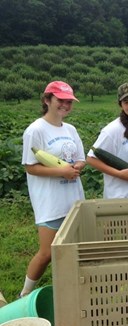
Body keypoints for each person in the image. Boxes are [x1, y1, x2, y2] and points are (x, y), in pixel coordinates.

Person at [20, 81, 85, 297]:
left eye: (69, 101)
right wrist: (62, 172)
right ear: (47, 100)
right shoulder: (35, 130)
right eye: (61, 100)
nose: (65, 105)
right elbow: (30, 167)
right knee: (47, 252)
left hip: (73, 198)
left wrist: (77, 166)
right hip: (50, 201)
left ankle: (70, 292)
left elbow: (81, 159)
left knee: (73, 250)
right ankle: (25, 293)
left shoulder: (71, 129)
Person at [87, 83, 128, 198]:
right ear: (121, 105)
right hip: (120, 197)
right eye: (127, 102)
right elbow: (91, 159)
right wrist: (119, 174)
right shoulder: (112, 130)